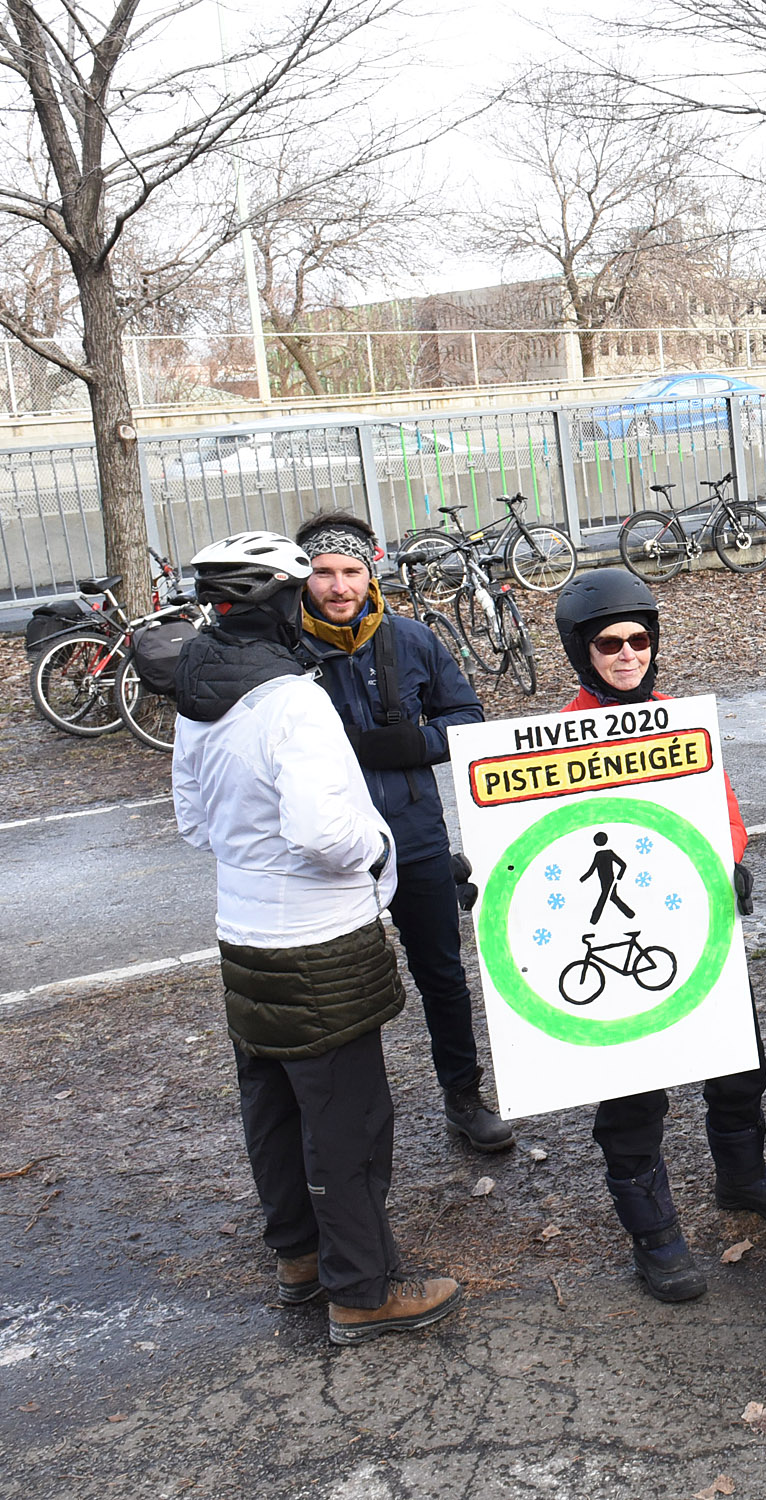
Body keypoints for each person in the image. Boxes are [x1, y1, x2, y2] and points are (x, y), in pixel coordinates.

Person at [170, 530, 462, 1345]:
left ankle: (299, 1257)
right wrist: (377, 850)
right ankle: (362, 1289)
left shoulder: (202, 689)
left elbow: (193, 821)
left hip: (244, 931)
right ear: (277, 602)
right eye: (302, 590)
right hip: (318, 938)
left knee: (271, 1103)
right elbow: (325, 834)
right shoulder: (293, 699)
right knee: (348, 1118)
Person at [549, 569, 766, 1303]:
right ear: (582, 652)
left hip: (694, 920)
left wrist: (732, 859)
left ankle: (743, 1174)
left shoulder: (676, 720)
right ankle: (653, 1232)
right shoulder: (556, 740)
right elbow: (534, 839)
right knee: (633, 1097)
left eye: (640, 640)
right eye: (609, 643)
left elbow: (719, 803)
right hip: (616, 925)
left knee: (738, 1062)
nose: (627, 654)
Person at [291, 512, 511, 1154]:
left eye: (351, 571)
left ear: (371, 574)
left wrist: (414, 742)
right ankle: (343, 1120)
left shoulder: (412, 639)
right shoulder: (283, 654)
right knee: (339, 993)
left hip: (414, 841)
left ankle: (464, 1098)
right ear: (304, 579)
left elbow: (466, 717)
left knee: (442, 975)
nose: (338, 586)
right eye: (323, 573)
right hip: (327, 854)